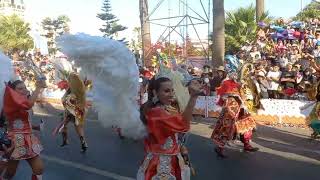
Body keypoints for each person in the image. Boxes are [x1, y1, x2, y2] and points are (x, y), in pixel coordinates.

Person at [137, 77, 202, 180]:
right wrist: (193, 97)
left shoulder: (164, 109)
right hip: (161, 165)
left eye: (172, 90)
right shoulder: (157, 113)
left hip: (171, 159)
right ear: (155, 92)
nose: (171, 94)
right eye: (166, 91)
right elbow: (183, 125)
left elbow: (177, 134)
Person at [2, 79, 46, 180]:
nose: (24, 90)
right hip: (16, 140)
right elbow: (28, 105)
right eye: (20, 89)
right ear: (13, 92)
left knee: (39, 169)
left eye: (25, 87)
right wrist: (38, 87)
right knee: (10, 172)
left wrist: (36, 127)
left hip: (28, 138)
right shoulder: (13, 101)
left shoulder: (22, 100)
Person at [211, 78, 259, 158]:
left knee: (247, 124)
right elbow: (224, 95)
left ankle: (247, 145)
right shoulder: (227, 82)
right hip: (232, 106)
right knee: (227, 126)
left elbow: (249, 94)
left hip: (243, 107)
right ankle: (220, 147)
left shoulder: (246, 82)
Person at [58, 73, 88, 152]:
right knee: (79, 128)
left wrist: (66, 113)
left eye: (69, 80)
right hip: (81, 111)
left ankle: (65, 140)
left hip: (71, 112)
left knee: (63, 125)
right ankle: (83, 143)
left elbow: (65, 102)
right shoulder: (81, 89)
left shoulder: (71, 92)